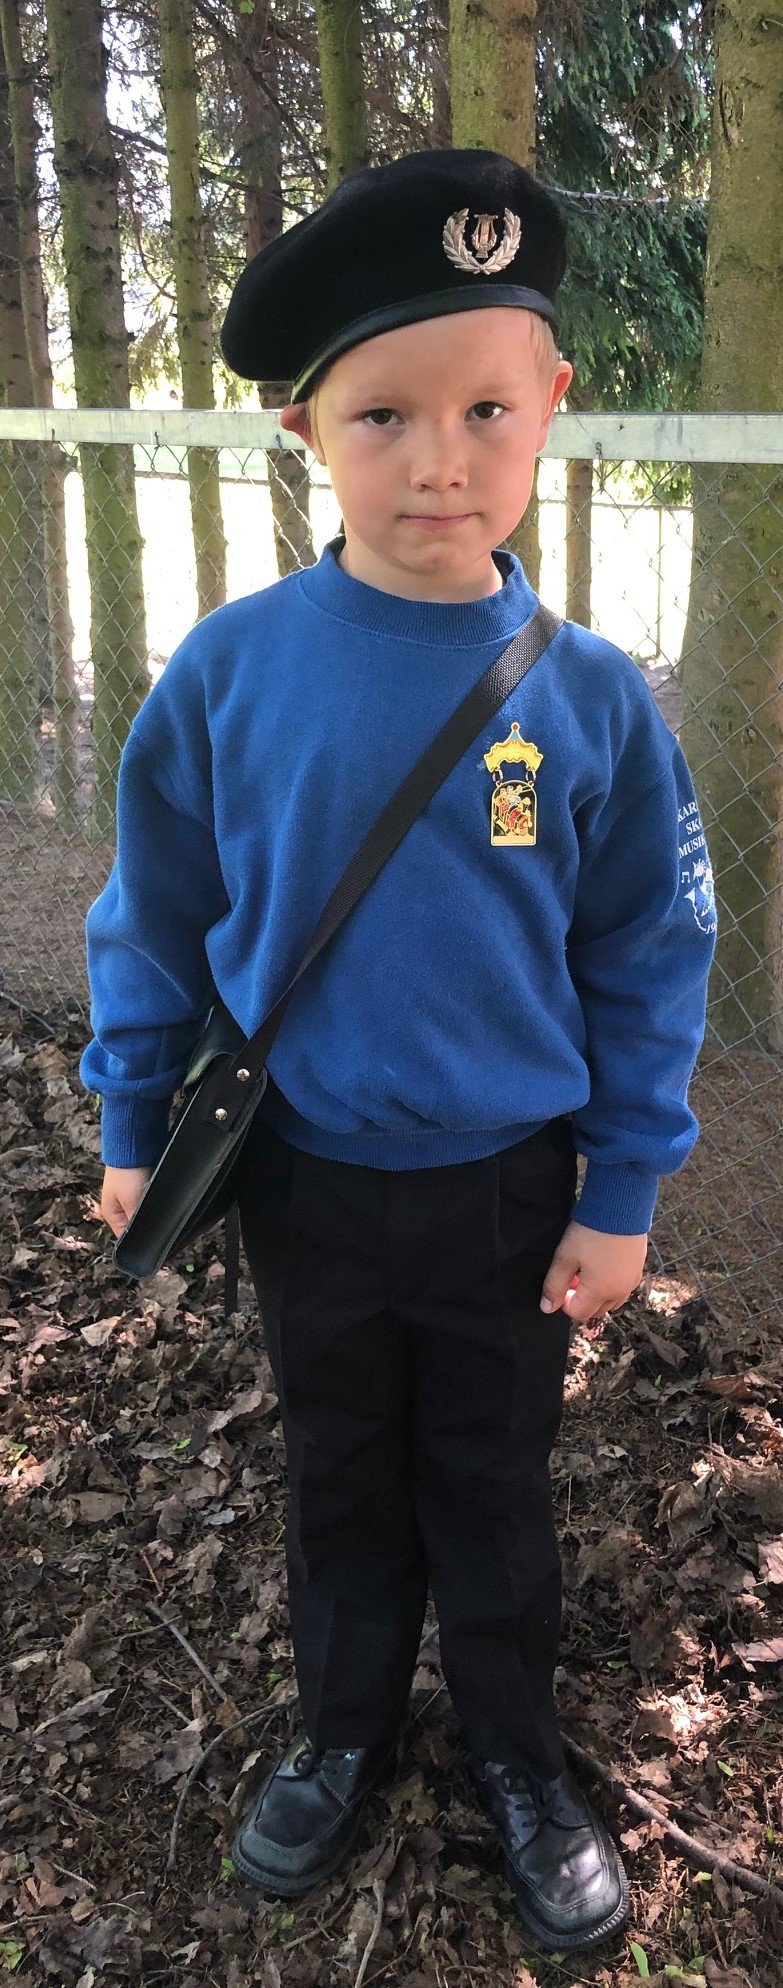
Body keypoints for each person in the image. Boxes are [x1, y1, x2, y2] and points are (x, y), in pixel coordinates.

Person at [80, 148, 717, 1955]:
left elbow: (649, 953)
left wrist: (621, 1189)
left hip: (510, 1195)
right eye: (385, 416)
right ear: (304, 431)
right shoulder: (229, 674)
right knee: (341, 1473)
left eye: (487, 409)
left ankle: (516, 1752)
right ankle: (344, 1730)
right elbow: (155, 911)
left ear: (553, 407)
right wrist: (130, 1118)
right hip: (307, 1180)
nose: (443, 460)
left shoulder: (590, 698)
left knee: (494, 1490)